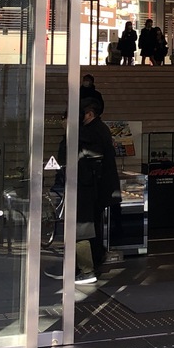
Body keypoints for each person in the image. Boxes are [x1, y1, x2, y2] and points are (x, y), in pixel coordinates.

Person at [75, 99, 120, 284]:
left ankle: (89, 266)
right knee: (94, 224)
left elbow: (90, 159)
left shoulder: (91, 132)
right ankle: (95, 259)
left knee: (86, 227)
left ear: (90, 114)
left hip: (91, 188)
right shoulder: (101, 129)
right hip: (100, 188)